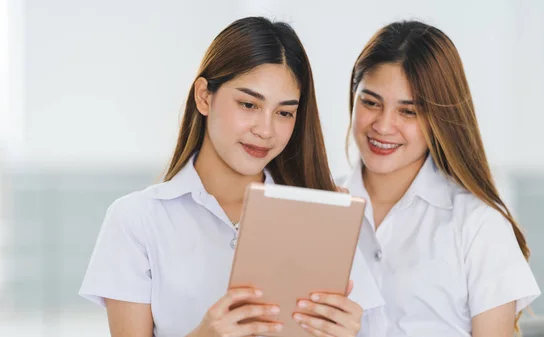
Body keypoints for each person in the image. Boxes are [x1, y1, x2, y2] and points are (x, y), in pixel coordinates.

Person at [79, 16, 382, 337]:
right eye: (248, 104)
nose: (265, 130)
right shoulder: (137, 220)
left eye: (284, 113)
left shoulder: (327, 215)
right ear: (204, 96)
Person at [338, 20, 541, 336]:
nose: (383, 125)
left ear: (439, 119)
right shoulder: (316, 205)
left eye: (408, 112)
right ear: (353, 98)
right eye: (370, 102)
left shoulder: (477, 224)